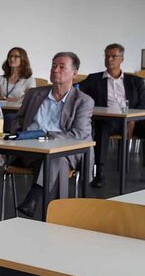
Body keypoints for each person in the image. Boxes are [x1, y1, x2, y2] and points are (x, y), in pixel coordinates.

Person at [11, 52, 95, 217]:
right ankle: (57, 217)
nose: (55, 70)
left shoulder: (83, 101)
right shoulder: (34, 94)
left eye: (62, 67)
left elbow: (79, 133)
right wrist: (21, 135)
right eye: (53, 65)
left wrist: (45, 136)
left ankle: (35, 197)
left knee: (57, 159)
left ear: (74, 73)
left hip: (66, 151)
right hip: (31, 149)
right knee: (55, 162)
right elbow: (18, 120)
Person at [77, 43, 145, 187]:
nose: (109, 59)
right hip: (109, 121)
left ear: (122, 59)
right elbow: (76, 91)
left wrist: (133, 120)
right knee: (102, 128)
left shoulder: (135, 81)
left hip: (132, 121)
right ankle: (100, 174)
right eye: (107, 56)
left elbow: (143, 103)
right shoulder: (94, 79)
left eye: (114, 56)